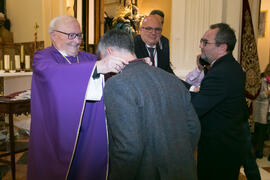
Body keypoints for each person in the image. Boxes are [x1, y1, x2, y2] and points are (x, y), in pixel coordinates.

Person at [27, 15, 128, 180]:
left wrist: (133, 65)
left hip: (89, 129)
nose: (77, 41)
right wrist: (97, 67)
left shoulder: (88, 58)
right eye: (71, 35)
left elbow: (110, 76)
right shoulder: (43, 58)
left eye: (79, 35)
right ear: (54, 35)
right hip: (58, 132)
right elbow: (53, 74)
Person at [99, 29, 201, 180]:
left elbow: (129, 149)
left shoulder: (117, 84)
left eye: (102, 59)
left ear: (109, 51)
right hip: (184, 171)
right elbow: (194, 128)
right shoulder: (171, 79)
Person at [191, 23, 250, 180]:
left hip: (218, 152)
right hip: (228, 147)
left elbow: (195, 108)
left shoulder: (220, 73)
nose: (200, 46)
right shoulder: (232, 67)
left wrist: (174, 90)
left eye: (205, 42)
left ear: (222, 47)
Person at [253, 64, 270, 159]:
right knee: (260, 132)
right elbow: (258, 95)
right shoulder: (262, 79)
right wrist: (267, 93)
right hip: (262, 109)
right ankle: (258, 151)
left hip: (269, 110)